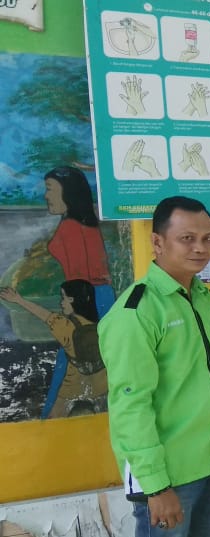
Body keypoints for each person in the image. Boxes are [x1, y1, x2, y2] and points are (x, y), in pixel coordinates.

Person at [99, 196, 210, 537]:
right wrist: (157, 487)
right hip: (168, 474)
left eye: (207, 238)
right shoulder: (136, 312)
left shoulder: (202, 299)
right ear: (157, 242)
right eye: (187, 238)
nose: (200, 248)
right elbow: (131, 406)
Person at [42, 166, 114, 418]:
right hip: (99, 296)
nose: (46, 196)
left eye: (49, 189)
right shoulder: (86, 224)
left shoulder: (70, 228)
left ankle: (50, 421)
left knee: (71, 361)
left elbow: (79, 275)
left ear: (68, 192)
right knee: (96, 361)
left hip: (86, 298)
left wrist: (76, 311)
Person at [1, 280, 108, 417]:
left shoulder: (65, 326)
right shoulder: (101, 326)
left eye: (63, 298)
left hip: (72, 389)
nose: (61, 303)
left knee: (53, 421)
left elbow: (44, 314)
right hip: (103, 385)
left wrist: (18, 300)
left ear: (72, 300)